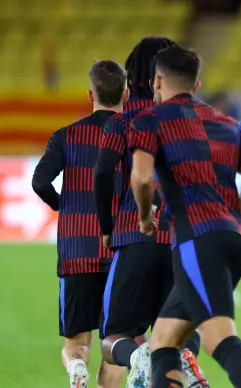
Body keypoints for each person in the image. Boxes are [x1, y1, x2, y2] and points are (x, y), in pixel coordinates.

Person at [127, 46, 241, 387]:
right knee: (164, 338)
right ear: (196, 85)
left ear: (157, 82)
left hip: (197, 241)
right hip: (236, 239)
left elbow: (142, 176)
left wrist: (145, 216)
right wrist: (229, 215)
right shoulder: (229, 123)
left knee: (218, 338)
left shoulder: (150, 119)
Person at [93, 37, 208, 387]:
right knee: (179, 332)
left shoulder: (124, 119)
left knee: (114, 338)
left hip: (134, 233)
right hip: (184, 239)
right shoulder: (200, 118)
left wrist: (106, 226)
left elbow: (101, 173)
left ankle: (138, 357)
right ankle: (182, 358)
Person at [32, 60, 129, 388]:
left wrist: (65, 207)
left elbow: (40, 182)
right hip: (121, 251)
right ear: (126, 93)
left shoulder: (66, 136)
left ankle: (76, 368)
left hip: (76, 252)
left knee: (77, 343)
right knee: (116, 341)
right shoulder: (135, 137)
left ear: (90, 93)